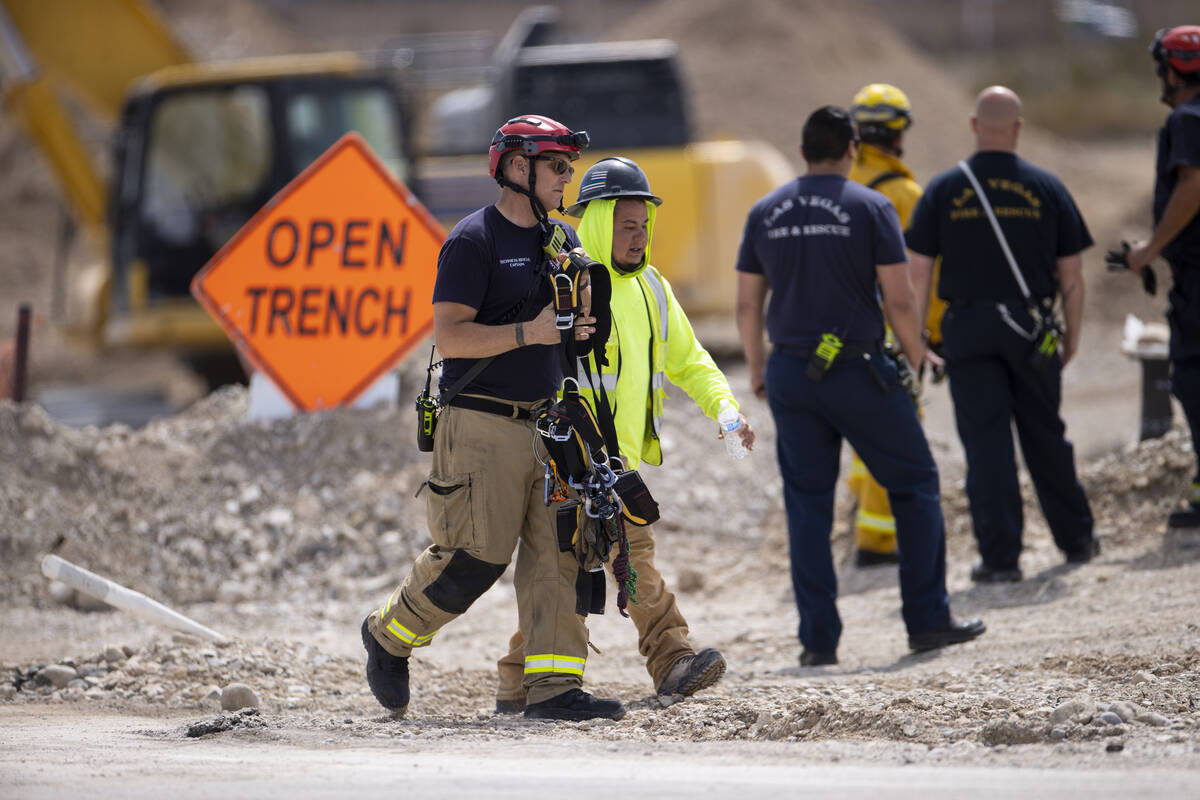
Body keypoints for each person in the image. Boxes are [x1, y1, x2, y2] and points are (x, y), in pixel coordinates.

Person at [361, 114, 627, 721]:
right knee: (475, 555)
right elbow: (450, 338)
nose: (568, 177)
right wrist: (527, 332)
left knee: (561, 551)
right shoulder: (472, 241)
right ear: (515, 167)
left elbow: (570, 336)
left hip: (549, 423)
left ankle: (553, 690)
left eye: (569, 166)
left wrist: (579, 331)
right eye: (557, 165)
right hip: (480, 421)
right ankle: (388, 634)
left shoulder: (563, 242)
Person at [494, 157, 756, 710]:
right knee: (593, 566)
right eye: (626, 225)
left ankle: (518, 682)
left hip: (619, 466)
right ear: (597, 222)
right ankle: (671, 658)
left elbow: (691, 362)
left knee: (574, 572)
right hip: (567, 465)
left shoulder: (654, 289)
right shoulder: (567, 284)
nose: (638, 237)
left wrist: (726, 410)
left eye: (644, 226)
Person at [735, 105, 985, 666]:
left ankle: (818, 643)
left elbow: (749, 302)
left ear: (801, 151)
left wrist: (756, 368)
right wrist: (919, 353)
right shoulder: (872, 206)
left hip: (791, 372)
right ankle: (927, 621)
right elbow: (899, 298)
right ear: (852, 148)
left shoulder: (765, 210)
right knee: (916, 484)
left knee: (807, 506)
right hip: (858, 371)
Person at [906, 87, 1099, 583]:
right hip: (1032, 330)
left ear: (974, 125)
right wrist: (1071, 337)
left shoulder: (946, 189)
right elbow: (1072, 277)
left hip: (967, 331)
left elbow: (918, 274)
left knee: (987, 447)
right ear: (1017, 128)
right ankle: (1077, 539)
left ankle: (1001, 559)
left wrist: (916, 340)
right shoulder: (1047, 187)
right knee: (1046, 435)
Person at [844, 83, 946, 567]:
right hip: (891, 336)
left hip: (840, 333)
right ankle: (878, 540)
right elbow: (922, 278)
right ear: (899, 132)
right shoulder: (907, 196)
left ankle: (862, 512)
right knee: (899, 429)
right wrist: (931, 335)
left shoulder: (837, 183)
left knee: (861, 428)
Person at [1124, 26, 1200, 528]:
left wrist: (1150, 248)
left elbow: (1193, 186)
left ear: (1174, 70)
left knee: (1193, 378)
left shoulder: (1189, 120)